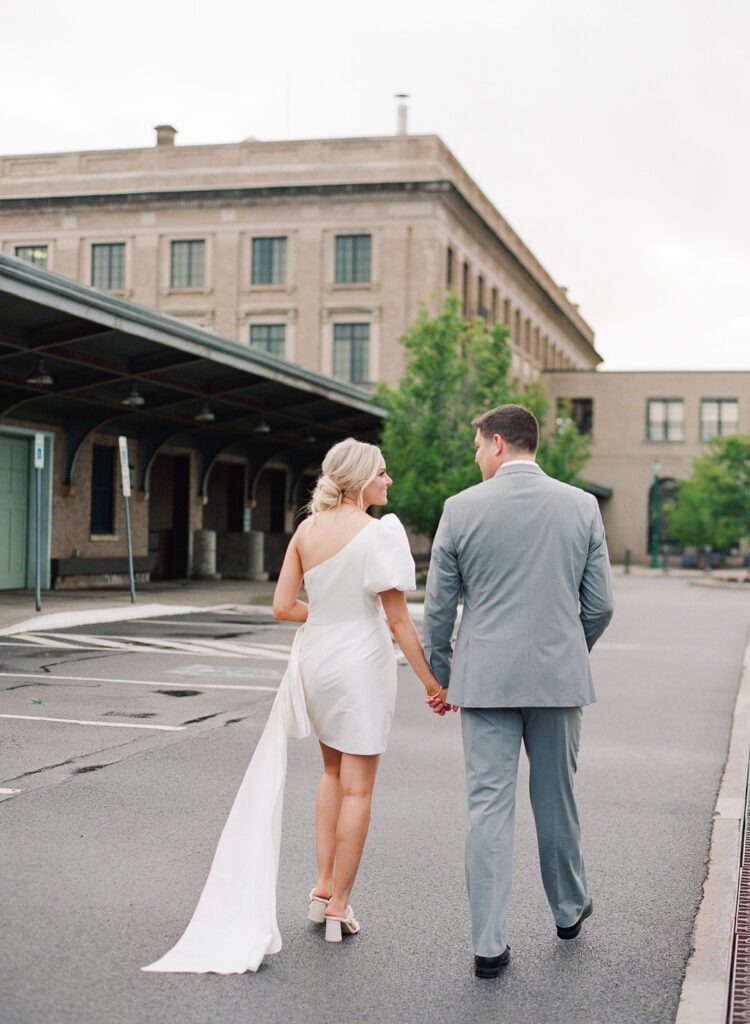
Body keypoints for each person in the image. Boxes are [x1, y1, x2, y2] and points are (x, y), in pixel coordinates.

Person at [143, 437, 448, 974]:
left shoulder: (306, 531)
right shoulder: (380, 533)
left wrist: (329, 616)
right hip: (360, 662)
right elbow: (399, 621)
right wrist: (431, 682)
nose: (389, 480)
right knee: (360, 785)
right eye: (382, 472)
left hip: (316, 659)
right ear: (358, 480)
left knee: (332, 774)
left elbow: (284, 607)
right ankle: (339, 907)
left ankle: (321, 887)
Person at [423, 404, 614, 979]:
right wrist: (565, 649)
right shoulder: (582, 507)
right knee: (556, 800)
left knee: (488, 806)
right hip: (558, 680)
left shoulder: (460, 509)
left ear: (500, 443)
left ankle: (488, 944)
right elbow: (600, 605)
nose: (476, 455)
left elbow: (437, 609)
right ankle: (568, 911)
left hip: (484, 682)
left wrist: (443, 673)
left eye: (479, 444)